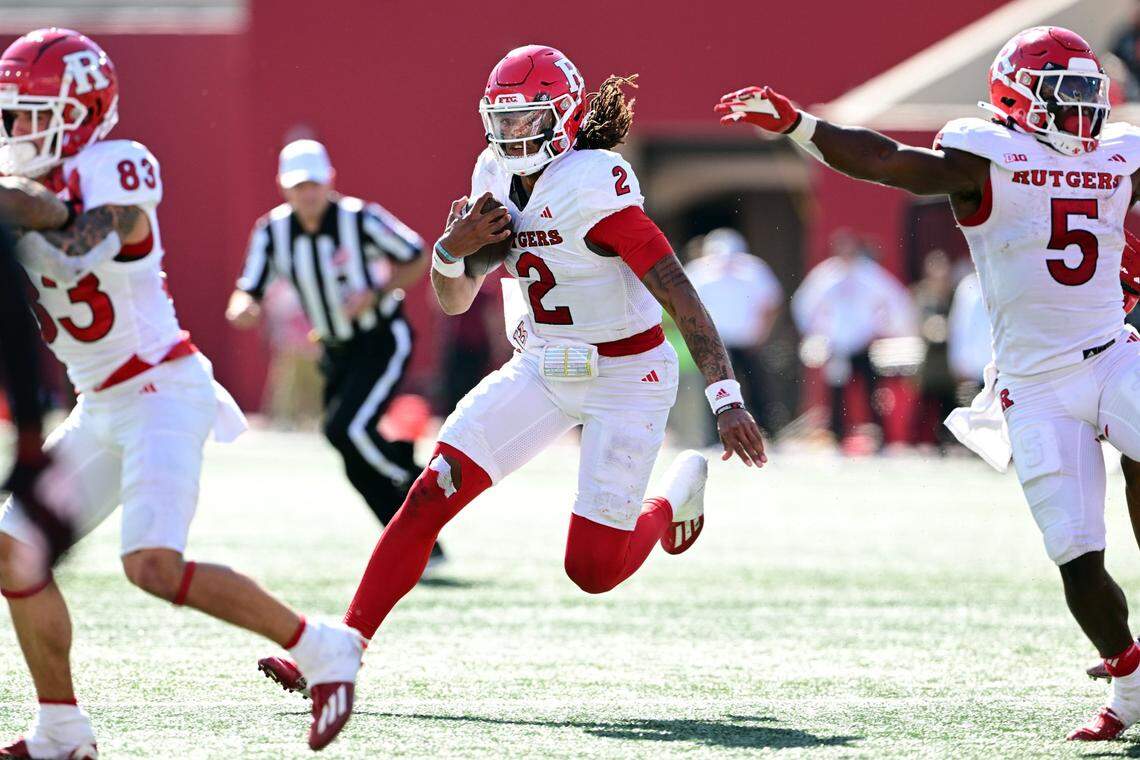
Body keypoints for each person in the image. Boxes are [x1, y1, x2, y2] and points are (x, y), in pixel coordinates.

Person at [258, 44, 765, 749]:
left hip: (627, 375)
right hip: (541, 367)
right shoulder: (494, 171)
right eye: (503, 118)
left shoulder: (594, 181)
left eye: (528, 118)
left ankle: (672, 498)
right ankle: (345, 645)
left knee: (591, 570)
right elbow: (456, 297)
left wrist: (725, 395)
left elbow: (674, 286)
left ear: (562, 117)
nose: (512, 134)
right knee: (430, 489)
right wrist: (447, 250)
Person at [719, 25, 1140, 741]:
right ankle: (1130, 684)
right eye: (1060, 95)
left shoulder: (1121, 149)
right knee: (1074, 552)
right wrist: (799, 124)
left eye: (1085, 94)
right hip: (1034, 385)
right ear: (1015, 97)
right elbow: (887, 161)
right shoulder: (988, 154)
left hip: (1113, 352)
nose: (1077, 112)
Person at [0, 28, 363, 756]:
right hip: (100, 401)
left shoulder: (118, 163)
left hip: (165, 389)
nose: (17, 129)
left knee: (152, 566)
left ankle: (324, 646)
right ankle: (61, 728)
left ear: (81, 110)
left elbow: (80, 238)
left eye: (32, 112)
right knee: (12, 553)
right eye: (10, 113)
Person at [226, 139, 431, 551]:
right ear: (284, 188)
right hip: (336, 351)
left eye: (314, 185)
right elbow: (248, 287)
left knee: (346, 429)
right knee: (349, 454)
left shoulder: (361, 219)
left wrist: (375, 291)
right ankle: (413, 540)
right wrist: (242, 308)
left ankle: (419, 484)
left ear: (330, 182)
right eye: (299, 186)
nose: (308, 194)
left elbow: (416, 255)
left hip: (381, 339)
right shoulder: (274, 231)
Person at [790, 230, 915, 446]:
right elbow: (804, 305)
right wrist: (817, 333)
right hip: (837, 345)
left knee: (871, 392)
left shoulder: (869, 274)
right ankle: (838, 435)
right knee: (837, 393)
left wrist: (884, 328)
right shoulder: (826, 275)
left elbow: (895, 301)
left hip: (863, 344)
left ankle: (880, 436)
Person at [685, 228, 782, 435]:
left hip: (746, 341)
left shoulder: (752, 269)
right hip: (718, 342)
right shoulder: (701, 271)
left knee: (754, 387)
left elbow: (771, 304)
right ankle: (714, 434)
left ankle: (765, 430)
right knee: (717, 388)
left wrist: (762, 334)